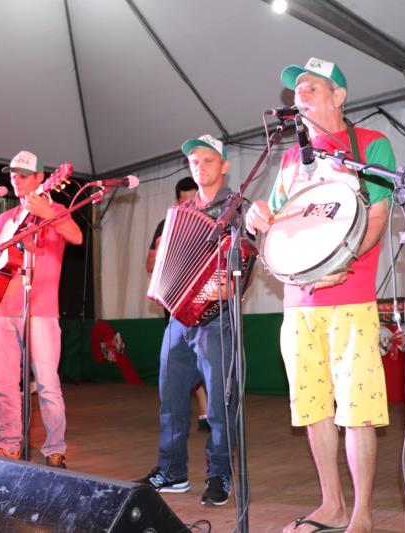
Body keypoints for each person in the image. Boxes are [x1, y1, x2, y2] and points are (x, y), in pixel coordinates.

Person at [245, 58, 395, 533]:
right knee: (313, 409)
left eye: (310, 87)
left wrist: (338, 268)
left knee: (358, 410)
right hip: (299, 303)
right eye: (295, 91)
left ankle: (362, 514)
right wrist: (259, 221)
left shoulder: (372, 145)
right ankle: (330, 504)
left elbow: (376, 218)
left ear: (339, 96)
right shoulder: (292, 159)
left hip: (350, 297)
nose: (299, 96)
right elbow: (279, 225)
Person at [138, 135, 250, 507]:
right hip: (178, 318)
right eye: (193, 162)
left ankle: (220, 474)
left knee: (219, 403)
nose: (199, 166)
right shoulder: (181, 212)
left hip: (218, 319)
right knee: (170, 397)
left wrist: (230, 284)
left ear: (224, 165)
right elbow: (165, 258)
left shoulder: (236, 208)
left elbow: (246, 259)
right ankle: (172, 472)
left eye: (206, 160)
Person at [0, 150, 82, 469]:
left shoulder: (55, 209)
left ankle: (55, 448)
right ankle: (9, 444)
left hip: (41, 311)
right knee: (3, 383)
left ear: (42, 178)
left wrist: (47, 214)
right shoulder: (4, 219)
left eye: (23, 175)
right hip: (0, 309)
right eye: (13, 175)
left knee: (47, 383)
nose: (16, 179)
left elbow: (76, 236)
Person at [145, 176, 211, 433]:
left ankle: (209, 413)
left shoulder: (211, 222)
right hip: (174, 304)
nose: (189, 207)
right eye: (184, 203)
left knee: (205, 358)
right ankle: (192, 415)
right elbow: (150, 267)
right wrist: (161, 252)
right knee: (179, 363)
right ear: (176, 201)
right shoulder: (166, 225)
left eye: (193, 202)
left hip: (205, 302)